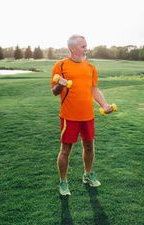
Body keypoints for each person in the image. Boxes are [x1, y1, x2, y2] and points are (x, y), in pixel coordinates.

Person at [51, 34, 113, 196]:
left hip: (88, 116)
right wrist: (60, 84)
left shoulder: (90, 67)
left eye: (86, 45)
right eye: (83, 46)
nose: (87, 48)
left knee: (89, 146)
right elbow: (54, 92)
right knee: (65, 150)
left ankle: (88, 174)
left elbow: (94, 89)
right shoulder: (61, 65)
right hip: (69, 116)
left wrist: (104, 104)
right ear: (72, 48)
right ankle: (63, 182)